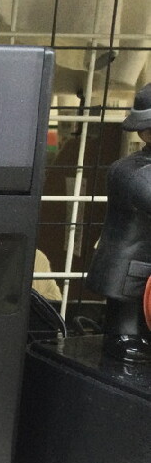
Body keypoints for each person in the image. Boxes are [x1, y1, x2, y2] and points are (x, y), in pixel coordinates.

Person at [86, 83, 151, 362]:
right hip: (128, 258)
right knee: (126, 308)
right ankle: (122, 337)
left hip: (141, 259)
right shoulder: (134, 170)